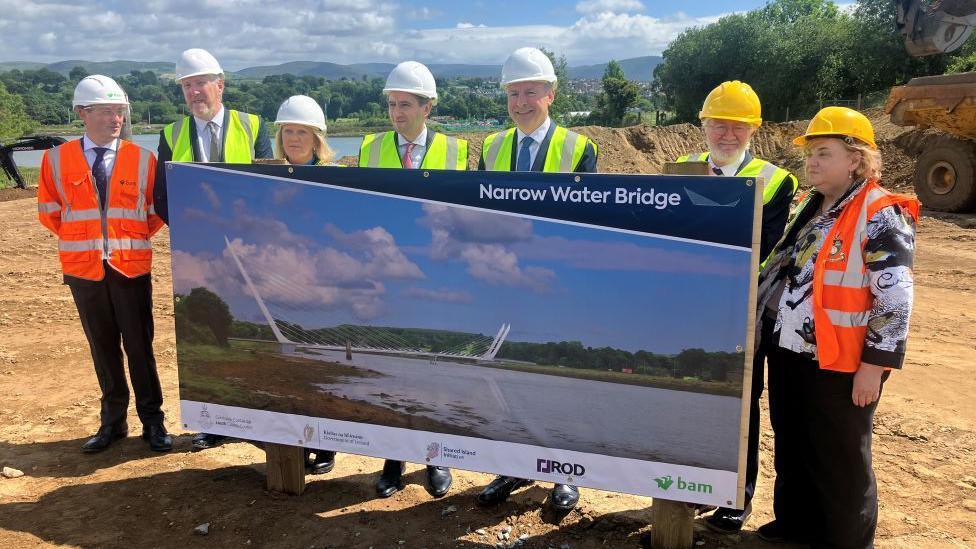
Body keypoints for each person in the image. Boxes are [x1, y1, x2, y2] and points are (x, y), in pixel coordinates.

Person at [755, 106, 918, 546]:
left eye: (824, 152)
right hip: (790, 350)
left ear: (856, 159)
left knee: (841, 459)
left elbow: (895, 298)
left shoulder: (881, 212)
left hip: (840, 361)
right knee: (794, 444)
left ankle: (844, 539)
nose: (812, 162)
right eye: (810, 153)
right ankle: (796, 524)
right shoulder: (813, 206)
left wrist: (874, 366)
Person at [476, 47, 597, 512]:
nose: (521, 101)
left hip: (555, 282)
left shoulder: (579, 148)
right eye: (513, 93)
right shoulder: (491, 147)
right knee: (510, 375)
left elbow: (587, 224)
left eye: (530, 91)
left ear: (551, 94)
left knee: (554, 377)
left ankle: (564, 473)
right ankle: (513, 465)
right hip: (506, 282)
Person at [676, 80, 797, 533]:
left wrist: (708, 207)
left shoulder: (776, 179)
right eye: (719, 125)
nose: (727, 135)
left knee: (742, 402)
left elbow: (763, 245)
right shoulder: (680, 168)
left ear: (754, 131)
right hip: (686, 307)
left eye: (738, 128)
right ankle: (691, 483)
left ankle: (736, 496)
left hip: (741, 308)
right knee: (688, 393)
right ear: (703, 124)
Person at [37, 75, 171, 453]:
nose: (116, 119)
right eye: (107, 111)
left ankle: (153, 422)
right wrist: (89, 244)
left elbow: (153, 214)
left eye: (120, 111)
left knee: (140, 348)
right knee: (103, 349)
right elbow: (50, 213)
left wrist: (121, 244)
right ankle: (113, 423)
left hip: (130, 269)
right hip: (84, 271)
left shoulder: (143, 159)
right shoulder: (55, 160)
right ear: (83, 113)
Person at [153, 48, 273, 451]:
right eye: (186, 86)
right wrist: (193, 236)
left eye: (199, 83)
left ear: (220, 84)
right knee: (207, 334)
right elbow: (162, 197)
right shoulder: (171, 136)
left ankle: (259, 420)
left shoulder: (253, 126)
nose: (193, 92)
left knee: (247, 326)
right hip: (201, 255)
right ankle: (216, 421)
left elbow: (270, 188)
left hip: (251, 251)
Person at [357, 61, 466, 498]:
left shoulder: (457, 152)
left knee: (432, 369)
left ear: (428, 106)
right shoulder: (370, 148)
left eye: (405, 104)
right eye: (391, 104)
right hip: (387, 274)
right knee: (389, 368)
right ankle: (392, 460)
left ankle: (435, 457)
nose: (396, 113)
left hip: (435, 274)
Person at [274, 94, 338, 474]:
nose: (294, 138)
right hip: (284, 279)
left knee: (321, 368)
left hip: (321, 282)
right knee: (293, 374)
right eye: (288, 131)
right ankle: (296, 441)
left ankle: (327, 447)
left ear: (317, 139)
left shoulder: (334, 176)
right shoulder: (269, 176)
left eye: (302, 132)